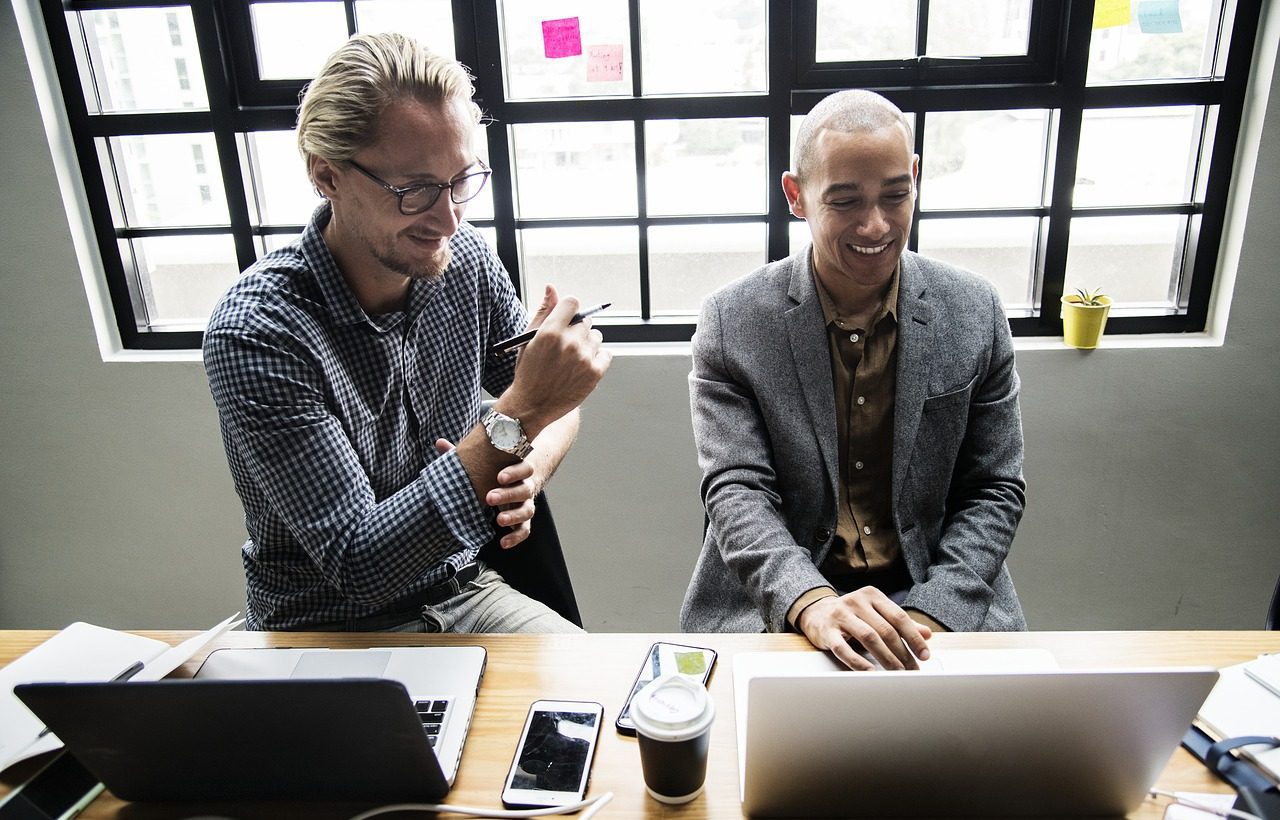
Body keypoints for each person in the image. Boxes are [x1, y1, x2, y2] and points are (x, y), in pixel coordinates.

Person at [203, 33, 610, 632]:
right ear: (327, 176)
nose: (447, 218)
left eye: (461, 181)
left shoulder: (463, 258)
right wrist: (519, 417)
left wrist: (528, 469)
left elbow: (548, 407)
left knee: (596, 696)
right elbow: (361, 566)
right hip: (324, 627)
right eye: (414, 190)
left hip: (464, 589)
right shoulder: (259, 333)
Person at [680, 89, 1026, 670]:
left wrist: (924, 621)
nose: (876, 224)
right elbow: (736, 490)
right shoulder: (731, 322)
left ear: (915, 177)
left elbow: (994, 488)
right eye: (845, 202)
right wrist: (810, 601)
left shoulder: (975, 310)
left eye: (896, 195)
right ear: (797, 196)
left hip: (935, 597)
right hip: (787, 601)